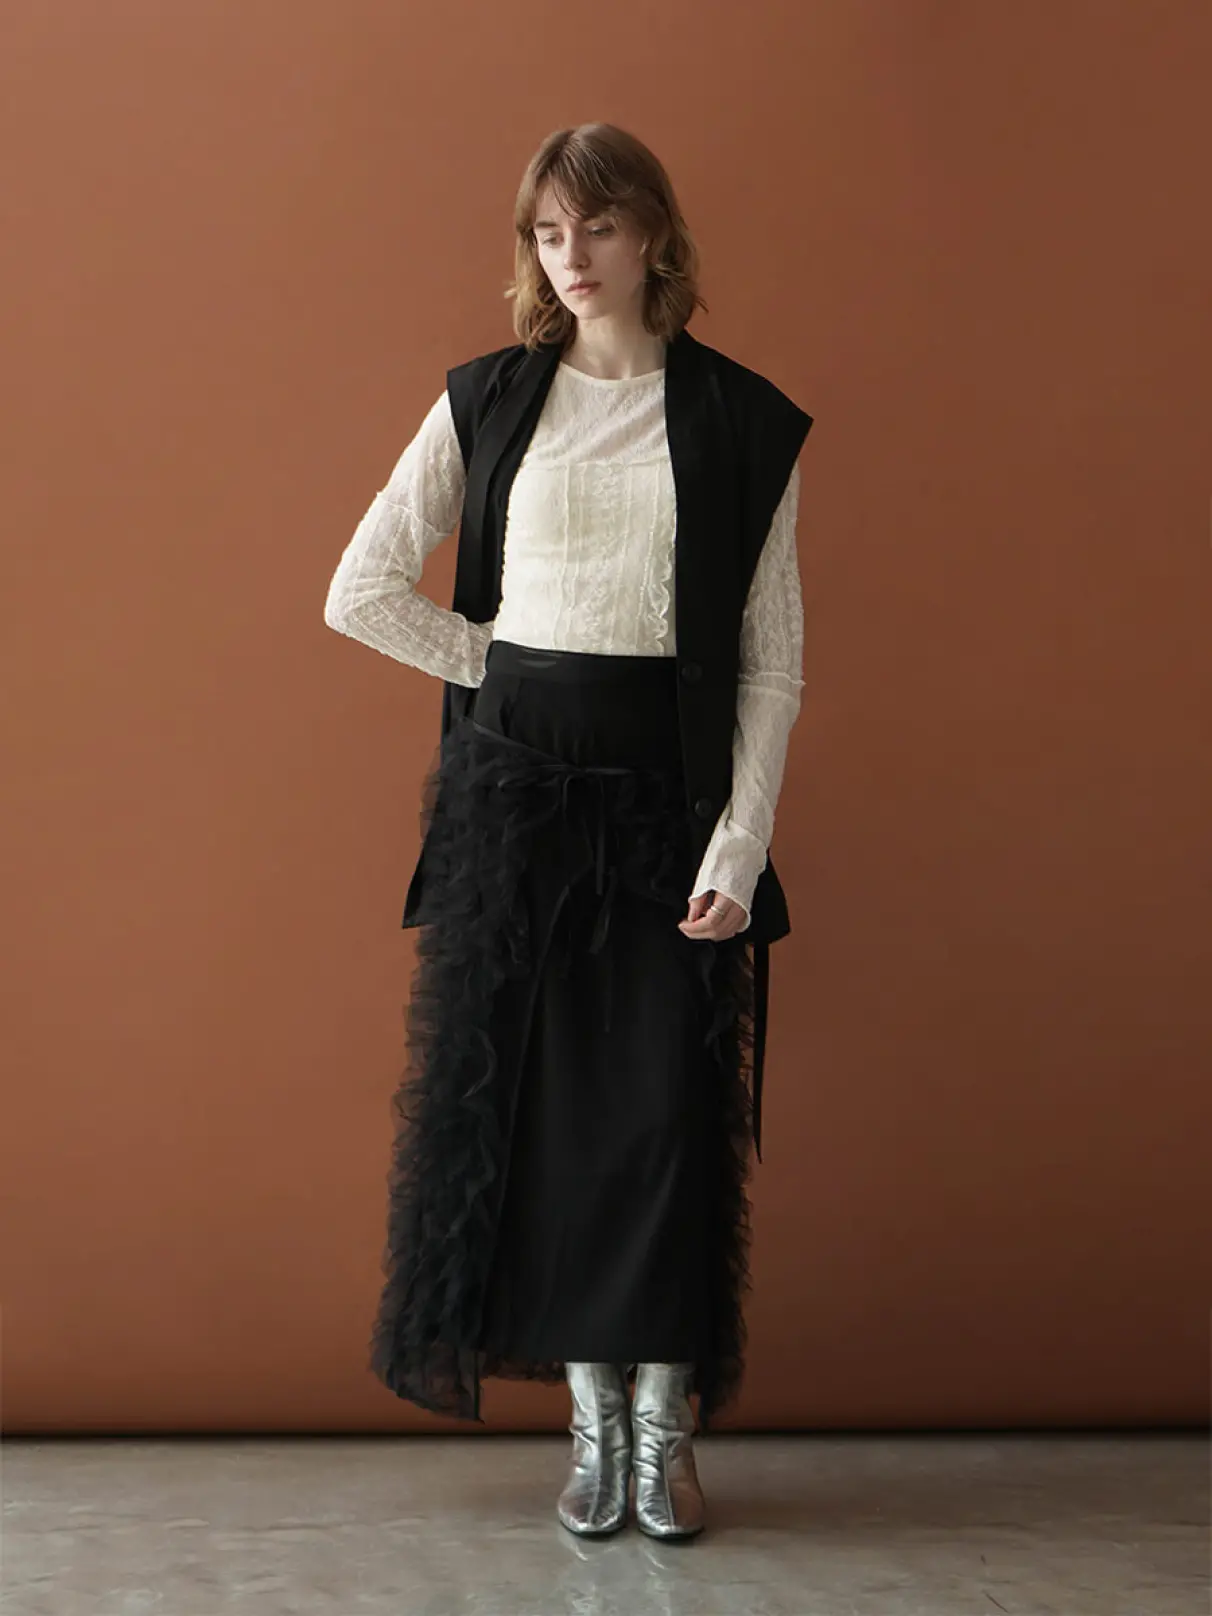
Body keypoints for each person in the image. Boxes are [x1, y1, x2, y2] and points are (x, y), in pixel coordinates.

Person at [323, 121, 812, 1541]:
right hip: (515, 799)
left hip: (672, 801)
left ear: (655, 233)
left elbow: (772, 659)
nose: (571, 258)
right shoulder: (485, 400)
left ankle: (665, 1431)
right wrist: (500, 665)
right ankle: (595, 1426)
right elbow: (360, 587)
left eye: (596, 227)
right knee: (541, 1120)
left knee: (662, 1119)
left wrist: (741, 844)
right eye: (547, 233)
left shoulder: (742, 420)